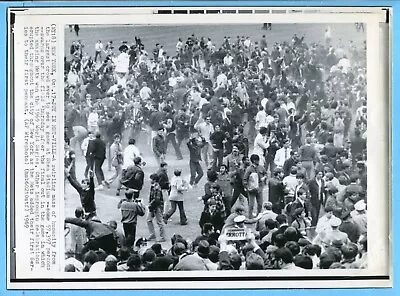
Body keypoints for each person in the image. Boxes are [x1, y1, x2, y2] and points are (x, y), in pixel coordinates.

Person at [243, 154, 267, 218]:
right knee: (251, 204)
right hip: (251, 189)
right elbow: (245, 179)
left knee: (260, 203)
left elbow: (265, 173)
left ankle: (258, 215)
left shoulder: (261, 167)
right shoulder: (249, 169)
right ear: (254, 161)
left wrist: (264, 178)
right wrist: (247, 187)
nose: (258, 161)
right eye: (257, 160)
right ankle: (250, 216)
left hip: (259, 188)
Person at [147, 174, 166, 242]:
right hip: (153, 206)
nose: (149, 180)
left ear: (154, 180)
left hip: (157, 207)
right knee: (149, 220)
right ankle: (152, 234)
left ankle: (162, 236)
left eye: (150, 179)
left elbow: (157, 200)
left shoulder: (157, 188)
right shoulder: (153, 187)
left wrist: (150, 205)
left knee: (159, 222)